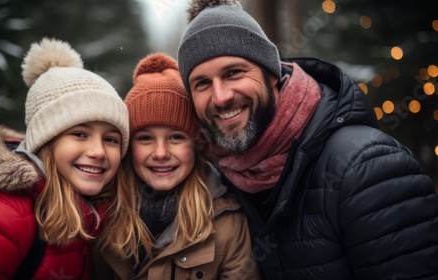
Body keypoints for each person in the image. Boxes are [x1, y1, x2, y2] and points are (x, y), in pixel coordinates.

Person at [176, 0, 438, 279]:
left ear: (271, 74)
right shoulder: (223, 177)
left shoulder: (367, 168)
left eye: (234, 72)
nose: (220, 97)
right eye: (202, 83)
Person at [0, 37, 129, 279]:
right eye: (80, 134)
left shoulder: (96, 216)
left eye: (111, 139)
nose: (99, 151)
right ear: (45, 142)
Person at [92, 53, 259, 279]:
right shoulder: (100, 215)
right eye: (145, 138)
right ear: (128, 147)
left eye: (176, 138)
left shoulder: (226, 222)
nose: (161, 153)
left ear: (197, 146)